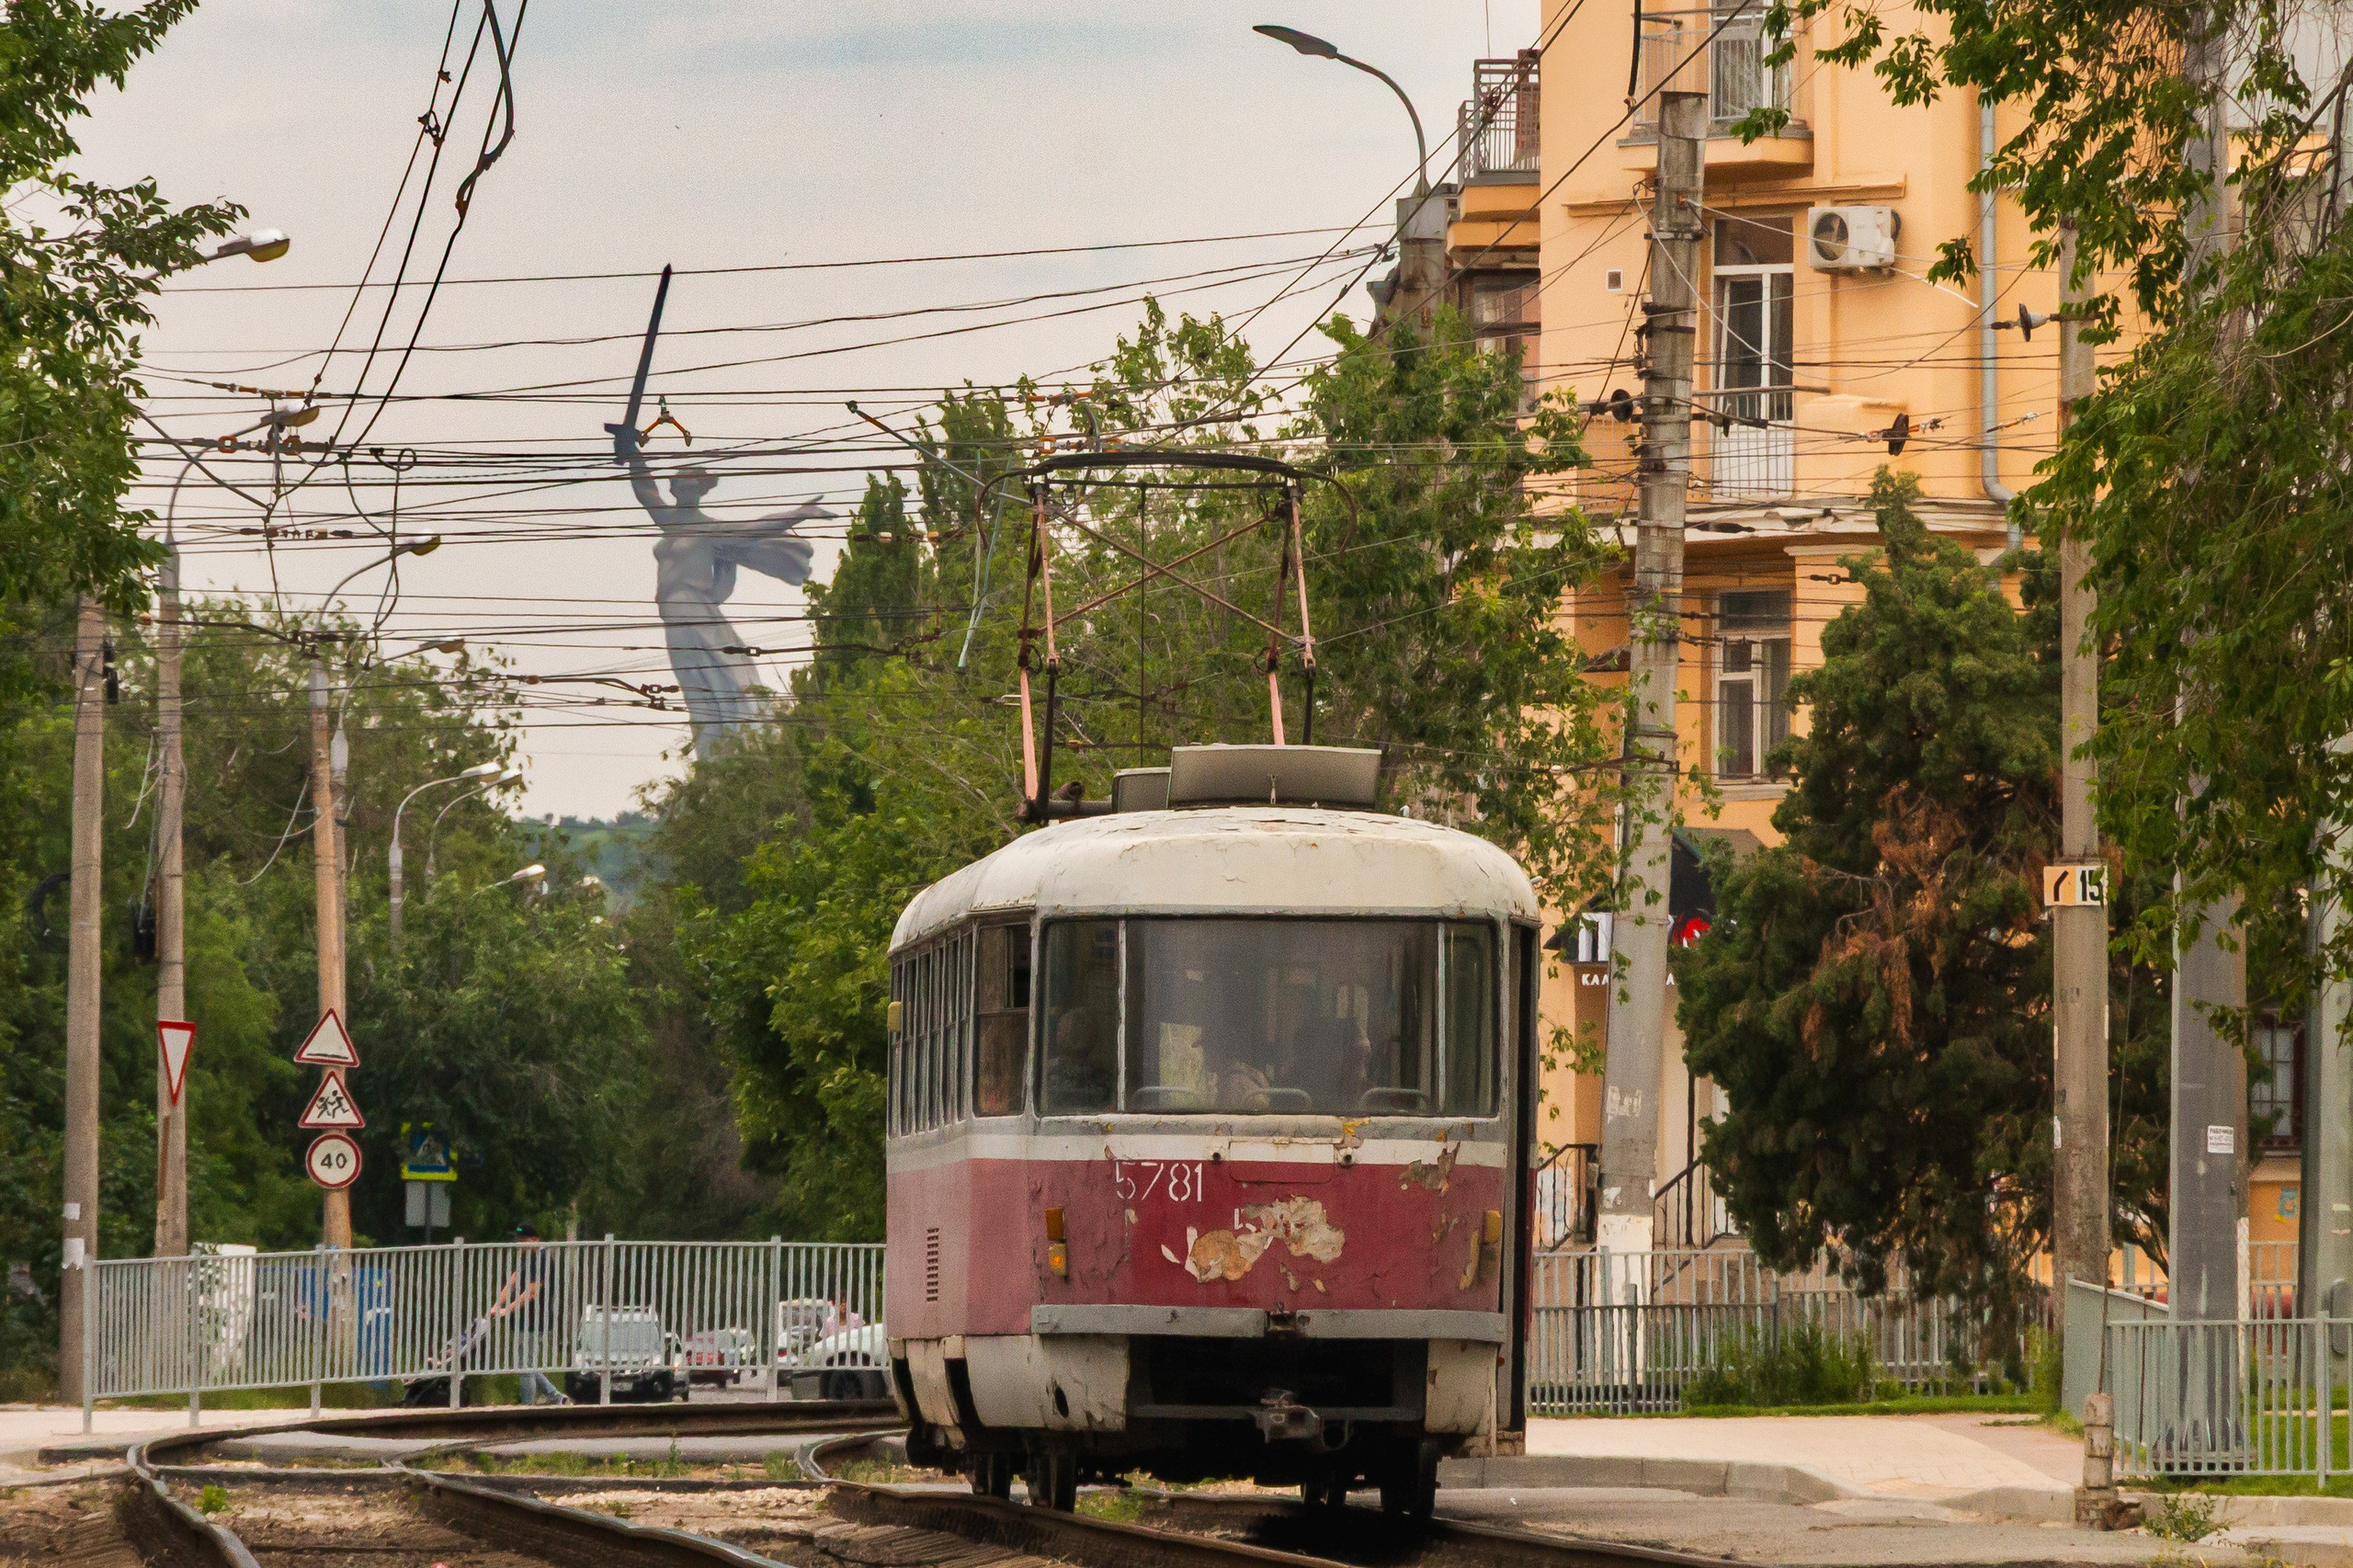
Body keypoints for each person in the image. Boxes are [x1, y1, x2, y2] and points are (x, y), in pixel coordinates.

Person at [611, 424, 825, 749]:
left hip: (692, 606)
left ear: (701, 488)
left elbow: (755, 528)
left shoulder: (711, 528)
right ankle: (712, 750)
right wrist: (634, 455)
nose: (682, 481)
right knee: (695, 686)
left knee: (723, 674)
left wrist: (798, 514)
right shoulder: (668, 521)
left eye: (690, 477)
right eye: (678, 477)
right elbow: (645, 492)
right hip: (672, 615)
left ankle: (745, 736)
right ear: (672, 487)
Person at [489, 1224, 565, 1405]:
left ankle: (528, 1406)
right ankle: (556, 1396)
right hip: (523, 1320)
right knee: (526, 1364)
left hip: (535, 1320)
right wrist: (496, 1305)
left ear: (534, 1240)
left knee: (525, 1365)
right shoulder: (527, 1258)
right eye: (517, 1240)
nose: (518, 1244)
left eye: (522, 1240)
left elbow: (531, 1292)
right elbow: (512, 1282)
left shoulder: (542, 1259)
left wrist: (506, 1310)